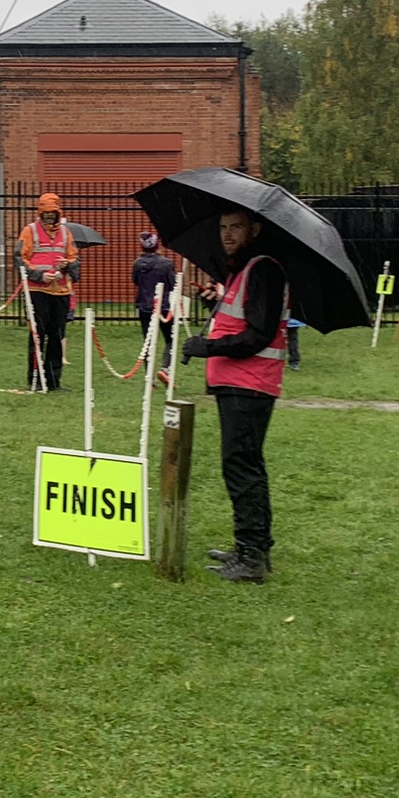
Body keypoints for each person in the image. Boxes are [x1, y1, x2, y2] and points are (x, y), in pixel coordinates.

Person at [179, 208, 288, 584]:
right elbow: (239, 320)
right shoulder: (242, 270)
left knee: (242, 467)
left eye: (236, 227)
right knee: (243, 465)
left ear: (254, 229)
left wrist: (207, 347)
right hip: (239, 383)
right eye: (223, 227)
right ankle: (250, 548)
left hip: (249, 384)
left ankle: (252, 556)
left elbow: (258, 335)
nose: (227, 234)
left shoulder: (262, 269)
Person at [18, 193, 79, 391]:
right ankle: (35, 380)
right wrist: (39, 275)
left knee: (56, 335)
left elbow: (75, 259)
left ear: (58, 212)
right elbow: (20, 258)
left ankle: (53, 381)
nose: (50, 216)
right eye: (46, 212)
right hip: (37, 291)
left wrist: (67, 264)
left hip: (60, 291)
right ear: (40, 212)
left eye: (53, 212)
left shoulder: (66, 233)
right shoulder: (29, 231)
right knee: (37, 335)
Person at [132, 231, 178, 372]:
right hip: (164, 306)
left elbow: (135, 281)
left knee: (148, 341)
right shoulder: (167, 264)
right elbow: (172, 284)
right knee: (170, 339)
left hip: (144, 306)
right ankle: (166, 368)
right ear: (157, 245)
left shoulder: (137, 264)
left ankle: (149, 376)